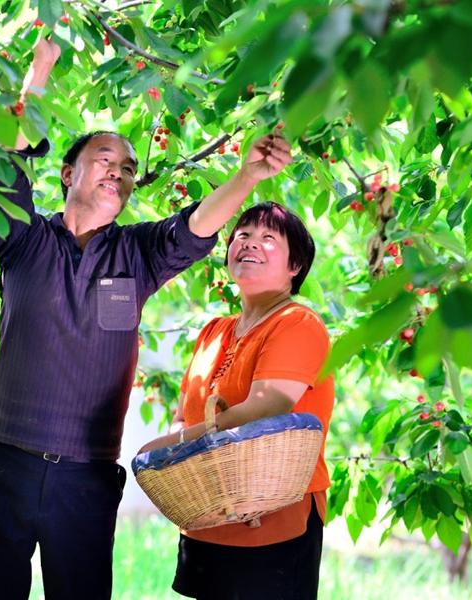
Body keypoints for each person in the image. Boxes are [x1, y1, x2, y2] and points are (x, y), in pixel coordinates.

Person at [0, 38, 293, 600]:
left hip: (86, 478)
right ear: (68, 174)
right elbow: (5, 167)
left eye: (129, 169)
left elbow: (194, 227)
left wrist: (246, 179)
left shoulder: (136, 255)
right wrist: (40, 68)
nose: (119, 173)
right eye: (105, 161)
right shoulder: (24, 238)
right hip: (2, 467)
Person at [139, 202, 334, 599]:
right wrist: (177, 442)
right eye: (242, 235)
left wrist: (169, 446)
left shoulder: (297, 323)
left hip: (275, 520)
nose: (250, 244)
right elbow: (186, 414)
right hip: (208, 517)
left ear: (295, 266)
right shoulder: (213, 331)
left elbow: (266, 408)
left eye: (268, 238)